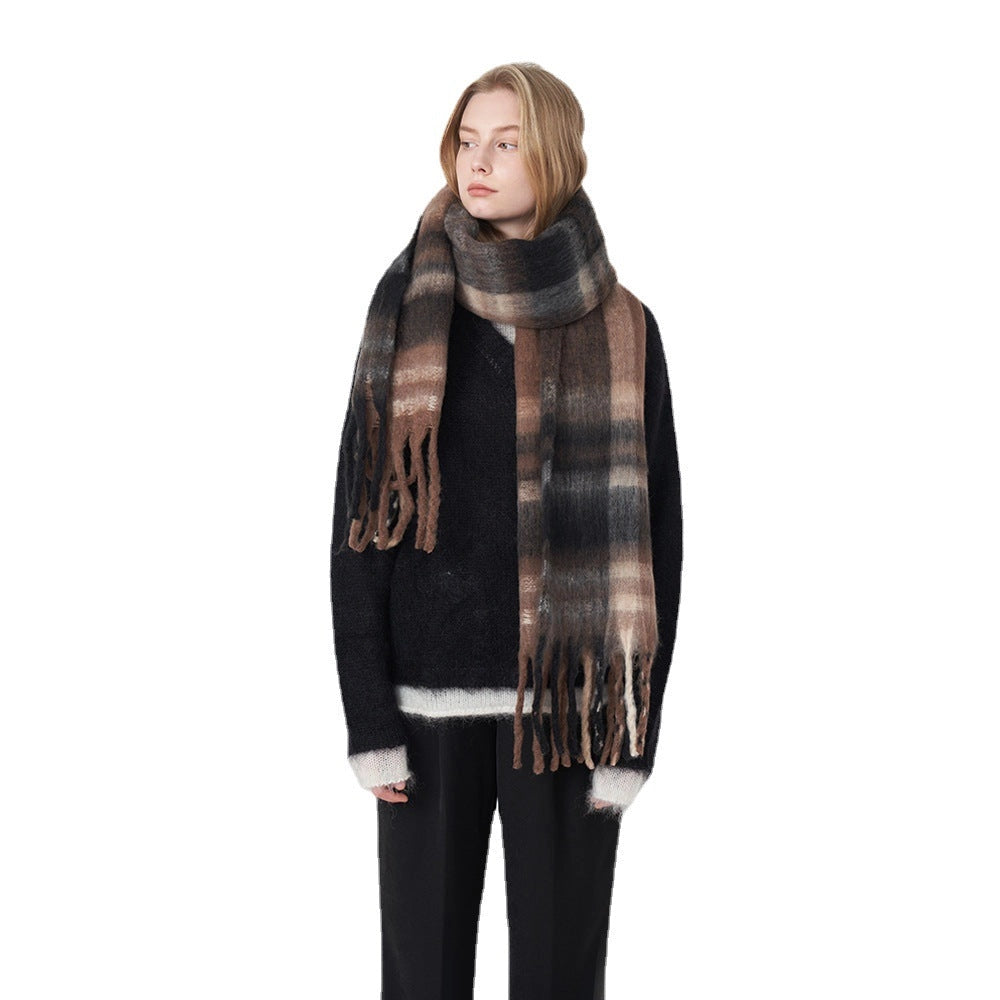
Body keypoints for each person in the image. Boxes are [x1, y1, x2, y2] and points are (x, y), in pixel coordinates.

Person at [330, 62, 683, 1000]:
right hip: (424, 705)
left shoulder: (626, 327)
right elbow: (358, 529)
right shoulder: (407, 312)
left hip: (566, 711)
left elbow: (660, 542)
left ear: (555, 156)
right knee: (423, 977)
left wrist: (632, 735)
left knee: (561, 975)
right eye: (466, 140)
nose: (476, 162)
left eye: (507, 143)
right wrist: (371, 721)